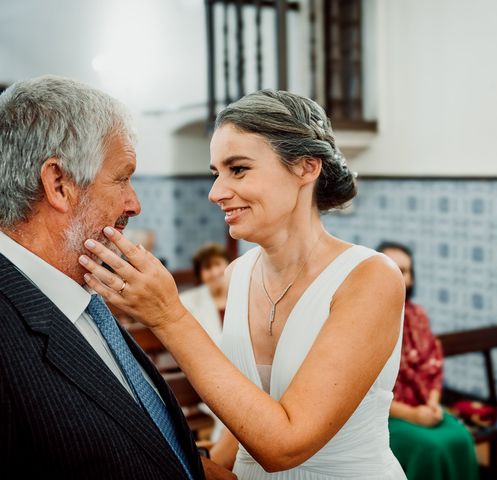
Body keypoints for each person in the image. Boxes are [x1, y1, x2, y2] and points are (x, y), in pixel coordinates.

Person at [80, 90, 407, 479]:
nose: (215, 193)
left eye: (238, 169)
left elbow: (284, 445)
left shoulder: (370, 277)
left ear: (306, 167)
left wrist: (168, 316)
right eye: (216, 173)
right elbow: (245, 415)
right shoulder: (238, 275)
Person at [0, 75, 234, 480]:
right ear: (59, 184)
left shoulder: (86, 295)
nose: (135, 203)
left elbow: (131, 430)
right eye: (122, 178)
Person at [378, 241, 479, 480]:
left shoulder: (417, 315)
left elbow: (433, 366)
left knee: (461, 438)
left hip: (424, 406)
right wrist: (413, 415)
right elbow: (363, 391)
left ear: (412, 278)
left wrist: (433, 404)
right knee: (431, 448)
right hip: (385, 416)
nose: (399, 276)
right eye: (391, 267)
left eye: (404, 270)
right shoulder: (365, 318)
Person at [179, 242, 230, 346]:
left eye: (217, 264)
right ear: (200, 274)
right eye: (207, 268)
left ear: (228, 264)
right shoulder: (186, 302)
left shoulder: (244, 293)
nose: (214, 273)